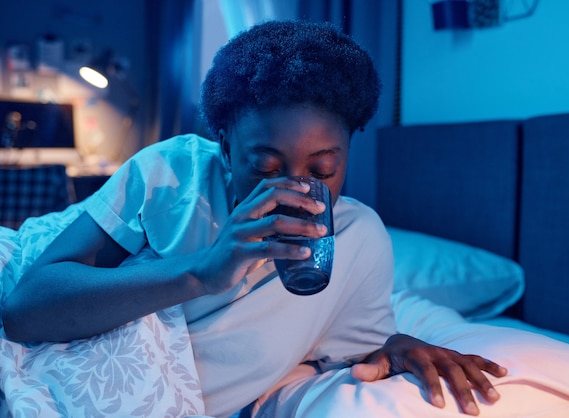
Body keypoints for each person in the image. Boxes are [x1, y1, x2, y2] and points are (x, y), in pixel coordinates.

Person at [1, 20, 506, 417]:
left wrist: (397, 347)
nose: (295, 188)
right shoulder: (173, 175)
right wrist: (203, 270)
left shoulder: (358, 239)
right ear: (225, 147)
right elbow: (26, 309)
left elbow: (353, 345)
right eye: (265, 167)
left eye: (324, 169)